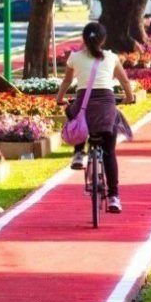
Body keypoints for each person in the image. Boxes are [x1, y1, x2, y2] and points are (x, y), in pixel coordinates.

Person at [54, 21, 136, 213]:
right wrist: (130, 97)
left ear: (84, 38)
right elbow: (124, 80)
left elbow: (67, 81)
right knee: (109, 152)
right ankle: (114, 196)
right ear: (103, 39)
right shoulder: (111, 57)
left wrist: (59, 99)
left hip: (84, 103)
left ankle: (78, 153)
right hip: (107, 106)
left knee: (73, 113)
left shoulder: (75, 57)